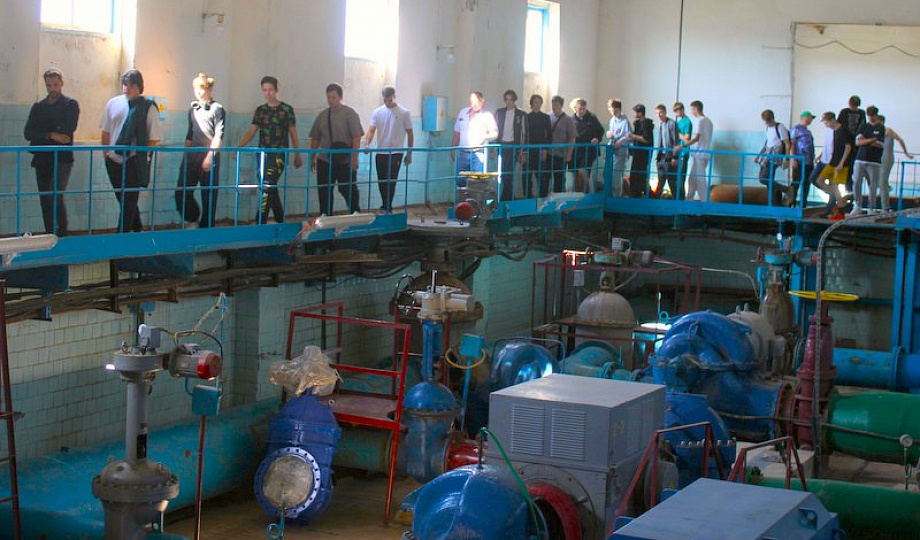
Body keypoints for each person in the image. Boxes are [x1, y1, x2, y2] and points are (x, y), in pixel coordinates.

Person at [101, 69, 162, 233]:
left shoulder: (148, 107)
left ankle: (121, 237)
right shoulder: (113, 103)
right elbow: (106, 131)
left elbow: (154, 137)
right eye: (125, 84)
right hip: (114, 159)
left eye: (132, 85)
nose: (127, 88)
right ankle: (137, 229)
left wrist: (142, 156)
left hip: (134, 160)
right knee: (124, 200)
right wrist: (106, 155)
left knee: (128, 201)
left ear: (139, 87)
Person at [238, 76, 303, 224]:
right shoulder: (261, 110)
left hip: (279, 153)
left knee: (267, 184)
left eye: (270, 90)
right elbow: (251, 131)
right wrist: (239, 147)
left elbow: (293, 132)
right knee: (269, 187)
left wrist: (297, 154)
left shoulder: (287, 109)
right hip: (262, 154)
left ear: (276, 90)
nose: (268, 93)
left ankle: (260, 222)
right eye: (265, 90)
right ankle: (280, 220)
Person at [23, 68, 79, 236]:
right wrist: (52, 134)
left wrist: (42, 134)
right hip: (42, 159)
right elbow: (28, 133)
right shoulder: (38, 107)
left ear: (62, 83)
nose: (52, 89)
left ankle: (62, 234)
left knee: (55, 196)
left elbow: (68, 129)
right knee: (45, 198)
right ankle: (49, 234)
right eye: (49, 85)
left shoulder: (70, 105)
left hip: (62, 159)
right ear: (45, 85)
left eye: (55, 85)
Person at [175, 73, 225, 229]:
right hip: (192, 156)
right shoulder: (193, 109)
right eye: (195, 88)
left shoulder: (217, 109)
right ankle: (192, 218)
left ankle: (207, 228)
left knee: (208, 196)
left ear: (209, 89)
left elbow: (218, 135)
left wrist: (210, 156)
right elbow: (189, 134)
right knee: (181, 191)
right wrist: (185, 156)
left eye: (201, 88)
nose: (197, 91)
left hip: (208, 156)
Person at [309, 83, 364, 216]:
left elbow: (356, 137)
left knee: (347, 188)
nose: (330, 100)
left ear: (340, 97)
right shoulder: (322, 115)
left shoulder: (350, 114)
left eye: (333, 97)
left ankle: (355, 212)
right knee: (324, 190)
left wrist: (354, 159)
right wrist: (312, 158)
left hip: (345, 160)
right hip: (325, 160)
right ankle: (325, 215)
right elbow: (315, 138)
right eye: (328, 97)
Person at [365, 86, 413, 213]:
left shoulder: (404, 113)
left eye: (389, 100)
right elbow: (371, 130)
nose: (387, 102)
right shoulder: (377, 112)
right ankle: (385, 205)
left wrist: (409, 153)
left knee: (391, 181)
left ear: (394, 96)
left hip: (396, 152)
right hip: (381, 151)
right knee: (381, 181)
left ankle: (387, 206)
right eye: (385, 100)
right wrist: (367, 144)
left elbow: (410, 133)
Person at [807, 112, 851, 219]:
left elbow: (848, 147)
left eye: (827, 123)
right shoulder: (834, 130)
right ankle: (839, 199)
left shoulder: (842, 130)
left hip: (839, 163)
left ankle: (839, 206)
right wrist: (821, 155)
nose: (826, 125)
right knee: (819, 180)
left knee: (834, 185)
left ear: (832, 120)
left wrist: (841, 163)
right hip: (832, 162)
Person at [451, 92, 498, 187]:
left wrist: (485, 137)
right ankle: (462, 196)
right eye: (472, 101)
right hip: (463, 152)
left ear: (482, 101)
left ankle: (476, 197)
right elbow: (457, 133)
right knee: (460, 180)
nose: (474, 104)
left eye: (476, 101)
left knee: (477, 181)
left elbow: (495, 133)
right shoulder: (463, 112)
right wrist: (452, 149)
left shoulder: (487, 116)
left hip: (478, 153)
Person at [850, 106, 885, 215]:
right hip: (860, 159)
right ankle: (857, 205)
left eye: (872, 115)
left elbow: (880, 144)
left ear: (876, 115)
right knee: (856, 182)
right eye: (869, 116)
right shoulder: (863, 126)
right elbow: (858, 142)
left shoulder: (880, 128)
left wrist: (865, 140)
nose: (870, 118)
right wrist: (871, 140)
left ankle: (871, 207)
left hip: (874, 161)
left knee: (872, 185)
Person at [494, 90, 528, 201]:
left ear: (514, 100)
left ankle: (506, 198)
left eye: (511, 100)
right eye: (507, 100)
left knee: (509, 172)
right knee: (503, 173)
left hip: (513, 147)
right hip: (502, 146)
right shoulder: (499, 112)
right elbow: (494, 130)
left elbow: (525, 134)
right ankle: (508, 196)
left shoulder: (521, 114)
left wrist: (523, 152)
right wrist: (492, 148)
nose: (508, 102)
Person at [878, 115, 914, 212]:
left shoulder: (888, 130)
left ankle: (885, 207)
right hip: (878, 158)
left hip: (887, 158)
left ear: (882, 122)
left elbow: (900, 140)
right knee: (879, 182)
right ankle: (887, 188)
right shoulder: (875, 132)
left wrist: (906, 153)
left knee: (882, 182)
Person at [570, 98, 604, 193]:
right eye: (580, 109)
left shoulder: (592, 118)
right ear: (575, 108)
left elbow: (600, 131)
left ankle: (587, 194)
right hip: (575, 151)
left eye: (583, 109)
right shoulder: (571, 120)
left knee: (586, 174)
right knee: (575, 174)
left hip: (589, 152)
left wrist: (597, 138)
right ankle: (576, 193)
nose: (582, 111)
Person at [755, 109, 791, 201]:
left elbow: (787, 143)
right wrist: (759, 155)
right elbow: (767, 143)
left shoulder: (780, 127)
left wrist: (787, 159)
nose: (767, 123)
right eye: (765, 121)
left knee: (764, 179)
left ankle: (786, 189)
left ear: (772, 118)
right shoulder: (767, 128)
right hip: (766, 156)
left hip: (775, 156)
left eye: (768, 121)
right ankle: (773, 201)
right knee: (767, 180)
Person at [523, 95, 552, 198]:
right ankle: (527, 198)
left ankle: (543, 198)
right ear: (531, 103)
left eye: (539, 102)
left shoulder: (545, 117)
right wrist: (523, 151)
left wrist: (545, 150)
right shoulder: (527, 117)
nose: (537, 104)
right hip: (529, 150)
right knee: (526, 176)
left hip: (540, 150)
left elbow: (549, 135)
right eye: (535, 102)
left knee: (542, 177)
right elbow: (524, 135)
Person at [548, 96, 576, 193]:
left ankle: (558, 198)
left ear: (561, 105)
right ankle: (546, 198)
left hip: (560, 154)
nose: (554, 107)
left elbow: (572, 138)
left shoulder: (568, 120)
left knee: (559, 179)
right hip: (548, 153)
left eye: (556, 105)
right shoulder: (548, 117)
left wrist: (568, 154)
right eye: (553, 105)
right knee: (545, 177)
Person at [838, 95, 866, 193]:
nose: (854, 108)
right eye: (853, 106)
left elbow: (863, 126)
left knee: (855, 167)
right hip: (846, 142)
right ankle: (848, 188)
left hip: (856, 144)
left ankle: (853, 189)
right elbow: (840, 126)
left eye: (855, 106)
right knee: (847, 167)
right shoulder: (844, 112)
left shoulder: (861, 113)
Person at [686, 100, 713, 202]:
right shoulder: (709, 121)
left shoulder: (701, 121)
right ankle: (689, 199)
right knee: (692, 178)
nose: (691, 112)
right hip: (700, 155)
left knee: (700, 180)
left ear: (696, 109)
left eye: (692, 109)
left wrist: (683, 145)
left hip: (700, 154)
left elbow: (697, 137)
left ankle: (705, 202)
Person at [789, 111, 816, 207]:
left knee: (807, 183)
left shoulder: (808, 131)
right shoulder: (796, 129)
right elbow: (792, 144)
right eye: (811, 118)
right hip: (799, 160)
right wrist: (793, 158)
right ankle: (791, 202)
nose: (812, 120)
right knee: (796, 181)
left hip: (809, 161)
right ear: (806, 117)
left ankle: (803, 204)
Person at [627, 104, 654, 198]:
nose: (634, 114)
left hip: (643, 155)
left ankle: (647, 195)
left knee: (641, 177)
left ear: (640, 113)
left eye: (635, 112)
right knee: (635, 177)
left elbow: (646, 139)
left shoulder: (646, 124)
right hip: (637, 153)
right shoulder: (637, 123)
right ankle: (636, 195)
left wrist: (633, 136)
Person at [605, 98, 631, 197]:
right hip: (612, 150)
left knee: (617, 174)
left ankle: (616, 196)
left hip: (621, 151)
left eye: (614, 111)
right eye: (611, 111)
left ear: (619, 109)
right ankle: (611, 194)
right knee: (609, 173)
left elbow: (629, 136)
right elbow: (611, 133)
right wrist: (609, 134)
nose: (613, 113)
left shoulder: (625, 121)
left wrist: (621, 141)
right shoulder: (612, 120)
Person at [654, 104, 679, 199]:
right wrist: (658, 157)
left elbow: (676, 141)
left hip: (670, 157)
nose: (659, 115)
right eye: (657, 113)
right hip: (662, 157)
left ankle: (676, 201)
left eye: (660, 113)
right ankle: (656, 200)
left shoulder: (672, 124)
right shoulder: (661, 124)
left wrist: (675, 157)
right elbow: (660, 141)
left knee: (672, 181)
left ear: (665, 112)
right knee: (660, 181)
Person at [673, 102, 693, 198]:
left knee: (681, 177)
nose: (676, 114)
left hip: (683, 152)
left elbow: (687, 138)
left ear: (682, 110)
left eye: (677, 111)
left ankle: (681, 197)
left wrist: (678, 134)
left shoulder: (687, 122)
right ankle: (677, 196)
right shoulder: (679, 122)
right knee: (676, 176)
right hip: (678, 152)